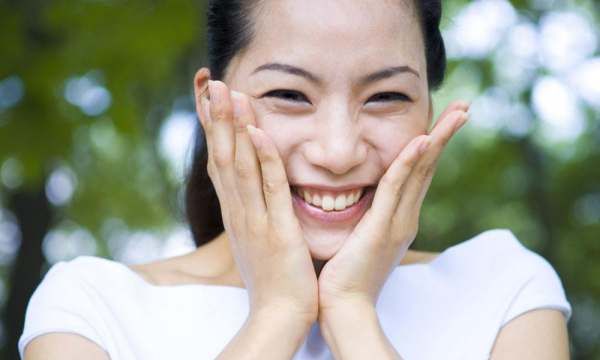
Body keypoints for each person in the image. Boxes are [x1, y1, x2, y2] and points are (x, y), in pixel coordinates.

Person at [19, 0, 572, 359]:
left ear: (430, 110)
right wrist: (278, 313)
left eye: (386, 96)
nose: (337, 152)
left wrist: (353, 310)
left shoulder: (504, 291)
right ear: (211, 104)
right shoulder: (89, 308)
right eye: (288, 95)